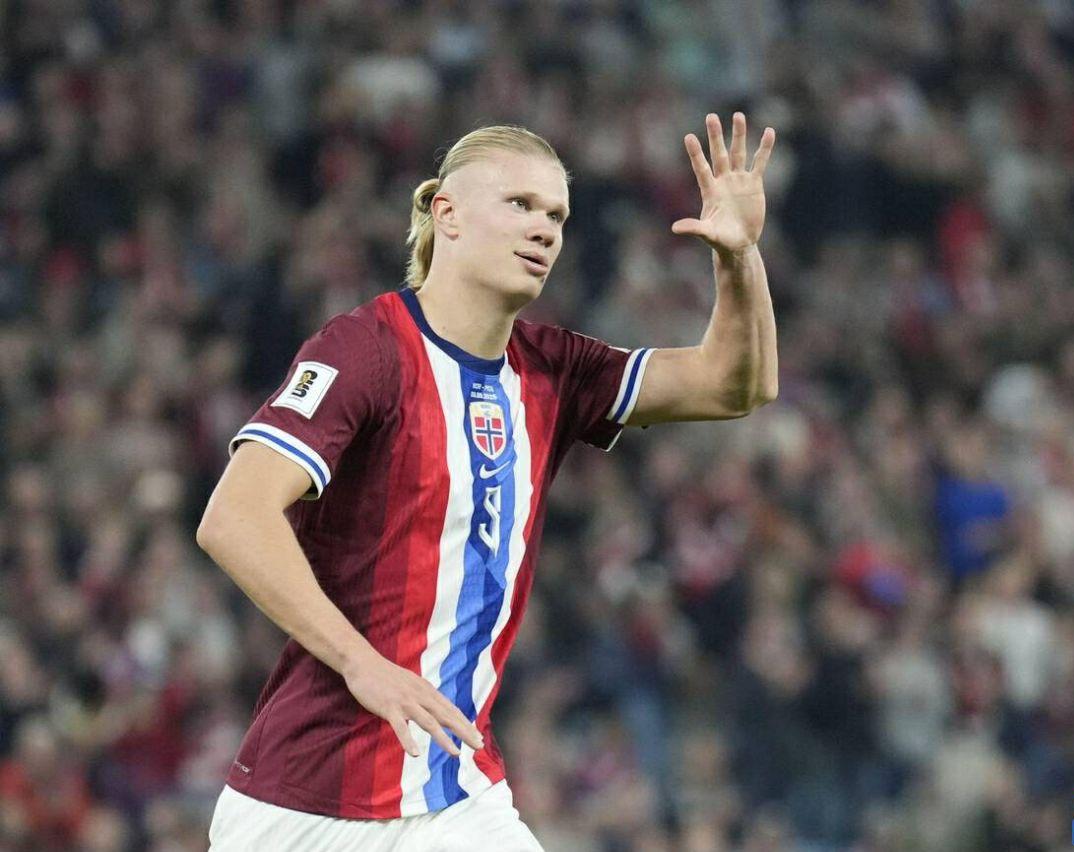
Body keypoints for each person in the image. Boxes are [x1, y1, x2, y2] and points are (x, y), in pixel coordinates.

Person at [198, 113, 777, 849]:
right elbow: (234, 515)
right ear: (447, 215)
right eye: (520, 205)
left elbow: (736, 386)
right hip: (308, 803)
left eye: (557, 216)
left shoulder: (555, 371)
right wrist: (361, 664)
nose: (544, 230)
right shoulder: (364, 351)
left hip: (456, 788)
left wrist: (739, 258)